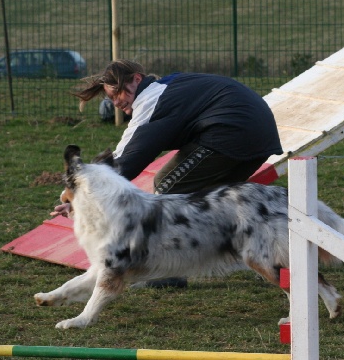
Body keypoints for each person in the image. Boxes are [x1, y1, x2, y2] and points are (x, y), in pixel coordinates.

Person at [54, 59, 283, 287]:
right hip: (259, 136)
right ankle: (271, 245)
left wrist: (81, 198)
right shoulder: (167, 87)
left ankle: (168, 273)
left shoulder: (150, 101)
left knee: (168, 184)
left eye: (118, 93)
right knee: (211, 202)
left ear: (136, 79)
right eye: (111, 98)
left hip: (230, 133)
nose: (116, 102)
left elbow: (126, 162)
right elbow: (125, 153)